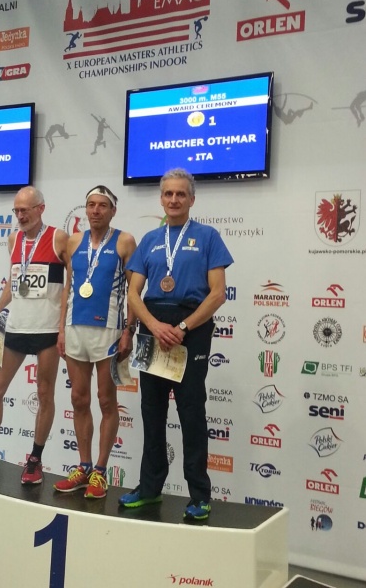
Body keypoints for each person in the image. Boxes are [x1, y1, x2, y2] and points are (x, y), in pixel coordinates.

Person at [118, 168, 233, 521]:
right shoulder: (150, 239)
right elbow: (133, 293)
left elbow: (217, 294)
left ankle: (199, 495)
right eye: (168, 193)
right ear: (161, 199)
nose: (174, 199)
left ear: (192, 199)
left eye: (181, 194)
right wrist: (153, 325)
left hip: (191, 329)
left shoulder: (208, 236)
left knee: (191, 413)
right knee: (151, 412)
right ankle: (149, 489)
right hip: (152, 326)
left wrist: (182, 327)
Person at [0, 186, 69, 484]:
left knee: (44, 394)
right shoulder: (13, 239)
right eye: (16, 210)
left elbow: (71, 282)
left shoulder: (58, 238)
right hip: (16, 327)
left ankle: (35, 461)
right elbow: (14, 281)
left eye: (25, 210)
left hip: (47, 330)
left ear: (41, 209)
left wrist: (63, 324)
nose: (20, 215)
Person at [53, 185, 137, 499]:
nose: (96, 210)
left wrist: (128, 330)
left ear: (113, 210)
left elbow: (134, 291)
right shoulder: (74, 241)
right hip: (76, 329)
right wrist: (61, 329)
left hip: (109, 332)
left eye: (102, 205)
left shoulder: (125, 241)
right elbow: (69, 287)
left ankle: (100, 471)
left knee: (106, 400)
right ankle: (84, 466)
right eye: (91, 205)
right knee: (78, 399)